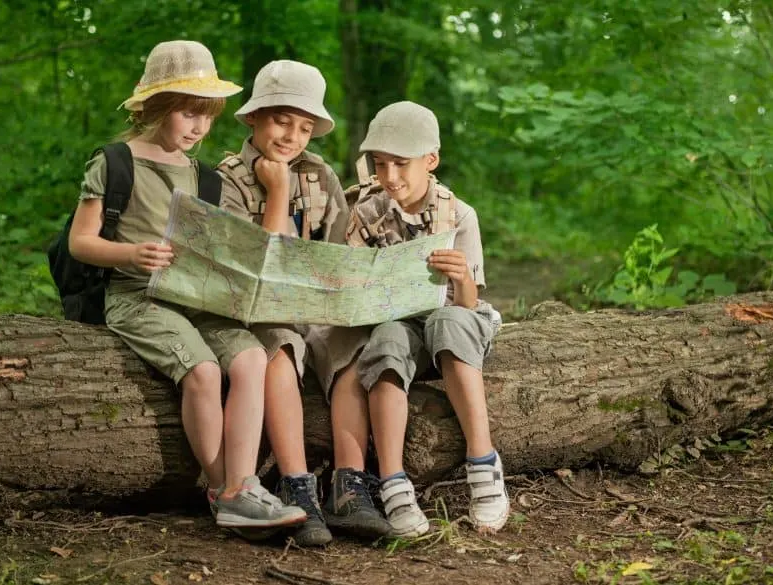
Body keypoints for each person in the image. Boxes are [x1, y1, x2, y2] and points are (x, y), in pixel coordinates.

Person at [67, 40, 306, 536]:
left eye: (209, 117)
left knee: (251, 359)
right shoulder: (115, 163)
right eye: (188, 113)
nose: (199, 127)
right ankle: (222, 490)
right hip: (136, 296)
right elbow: (80, 242)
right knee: (200, 370)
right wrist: (130, 253)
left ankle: (243, 486)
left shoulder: (205, 176)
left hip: (193, 298)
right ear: (155, 107)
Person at [311, 101, 510, 539]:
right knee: (384, 343)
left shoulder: (458, 215)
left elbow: (469, 302)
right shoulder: (365, 212)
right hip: (394, 322)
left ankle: (483, 461)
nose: (390, 177)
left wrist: (460, 277)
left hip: (449, 317)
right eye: (380, 165)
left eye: (401, 164)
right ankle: (394, 479)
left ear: (431, 160)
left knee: (449, 324)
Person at [216, 60, 350, 547]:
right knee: (278, 350)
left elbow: (341, 252)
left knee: (354, 354)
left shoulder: (320, 175)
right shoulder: (227, 180)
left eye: (305, 127)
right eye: (281, 120)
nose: (293, 136)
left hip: (315, 309)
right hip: (258, 314)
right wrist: (276, 192)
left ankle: (354, 484)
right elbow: (260, 264)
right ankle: (299, 485)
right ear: (253, 117)